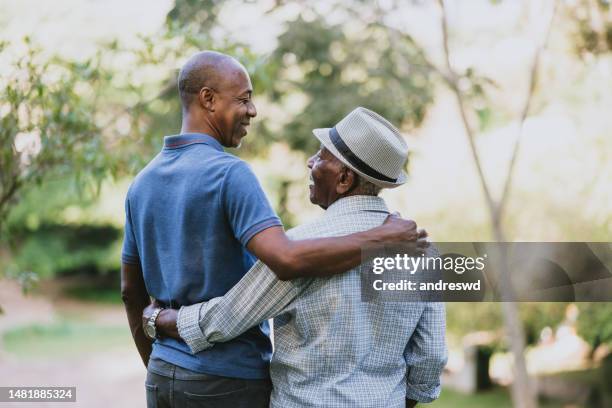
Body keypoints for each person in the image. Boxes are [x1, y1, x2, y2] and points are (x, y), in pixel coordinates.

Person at [121, 51, 427, 408]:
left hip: (165, 373)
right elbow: (285, 259)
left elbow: (131, 291)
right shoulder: (230, 175)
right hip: (229, 379)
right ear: (208, 98)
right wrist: (380, 238)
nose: (252, 111)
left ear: (344, 178)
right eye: (244, 99)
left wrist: (159, 357)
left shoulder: (141, 184)